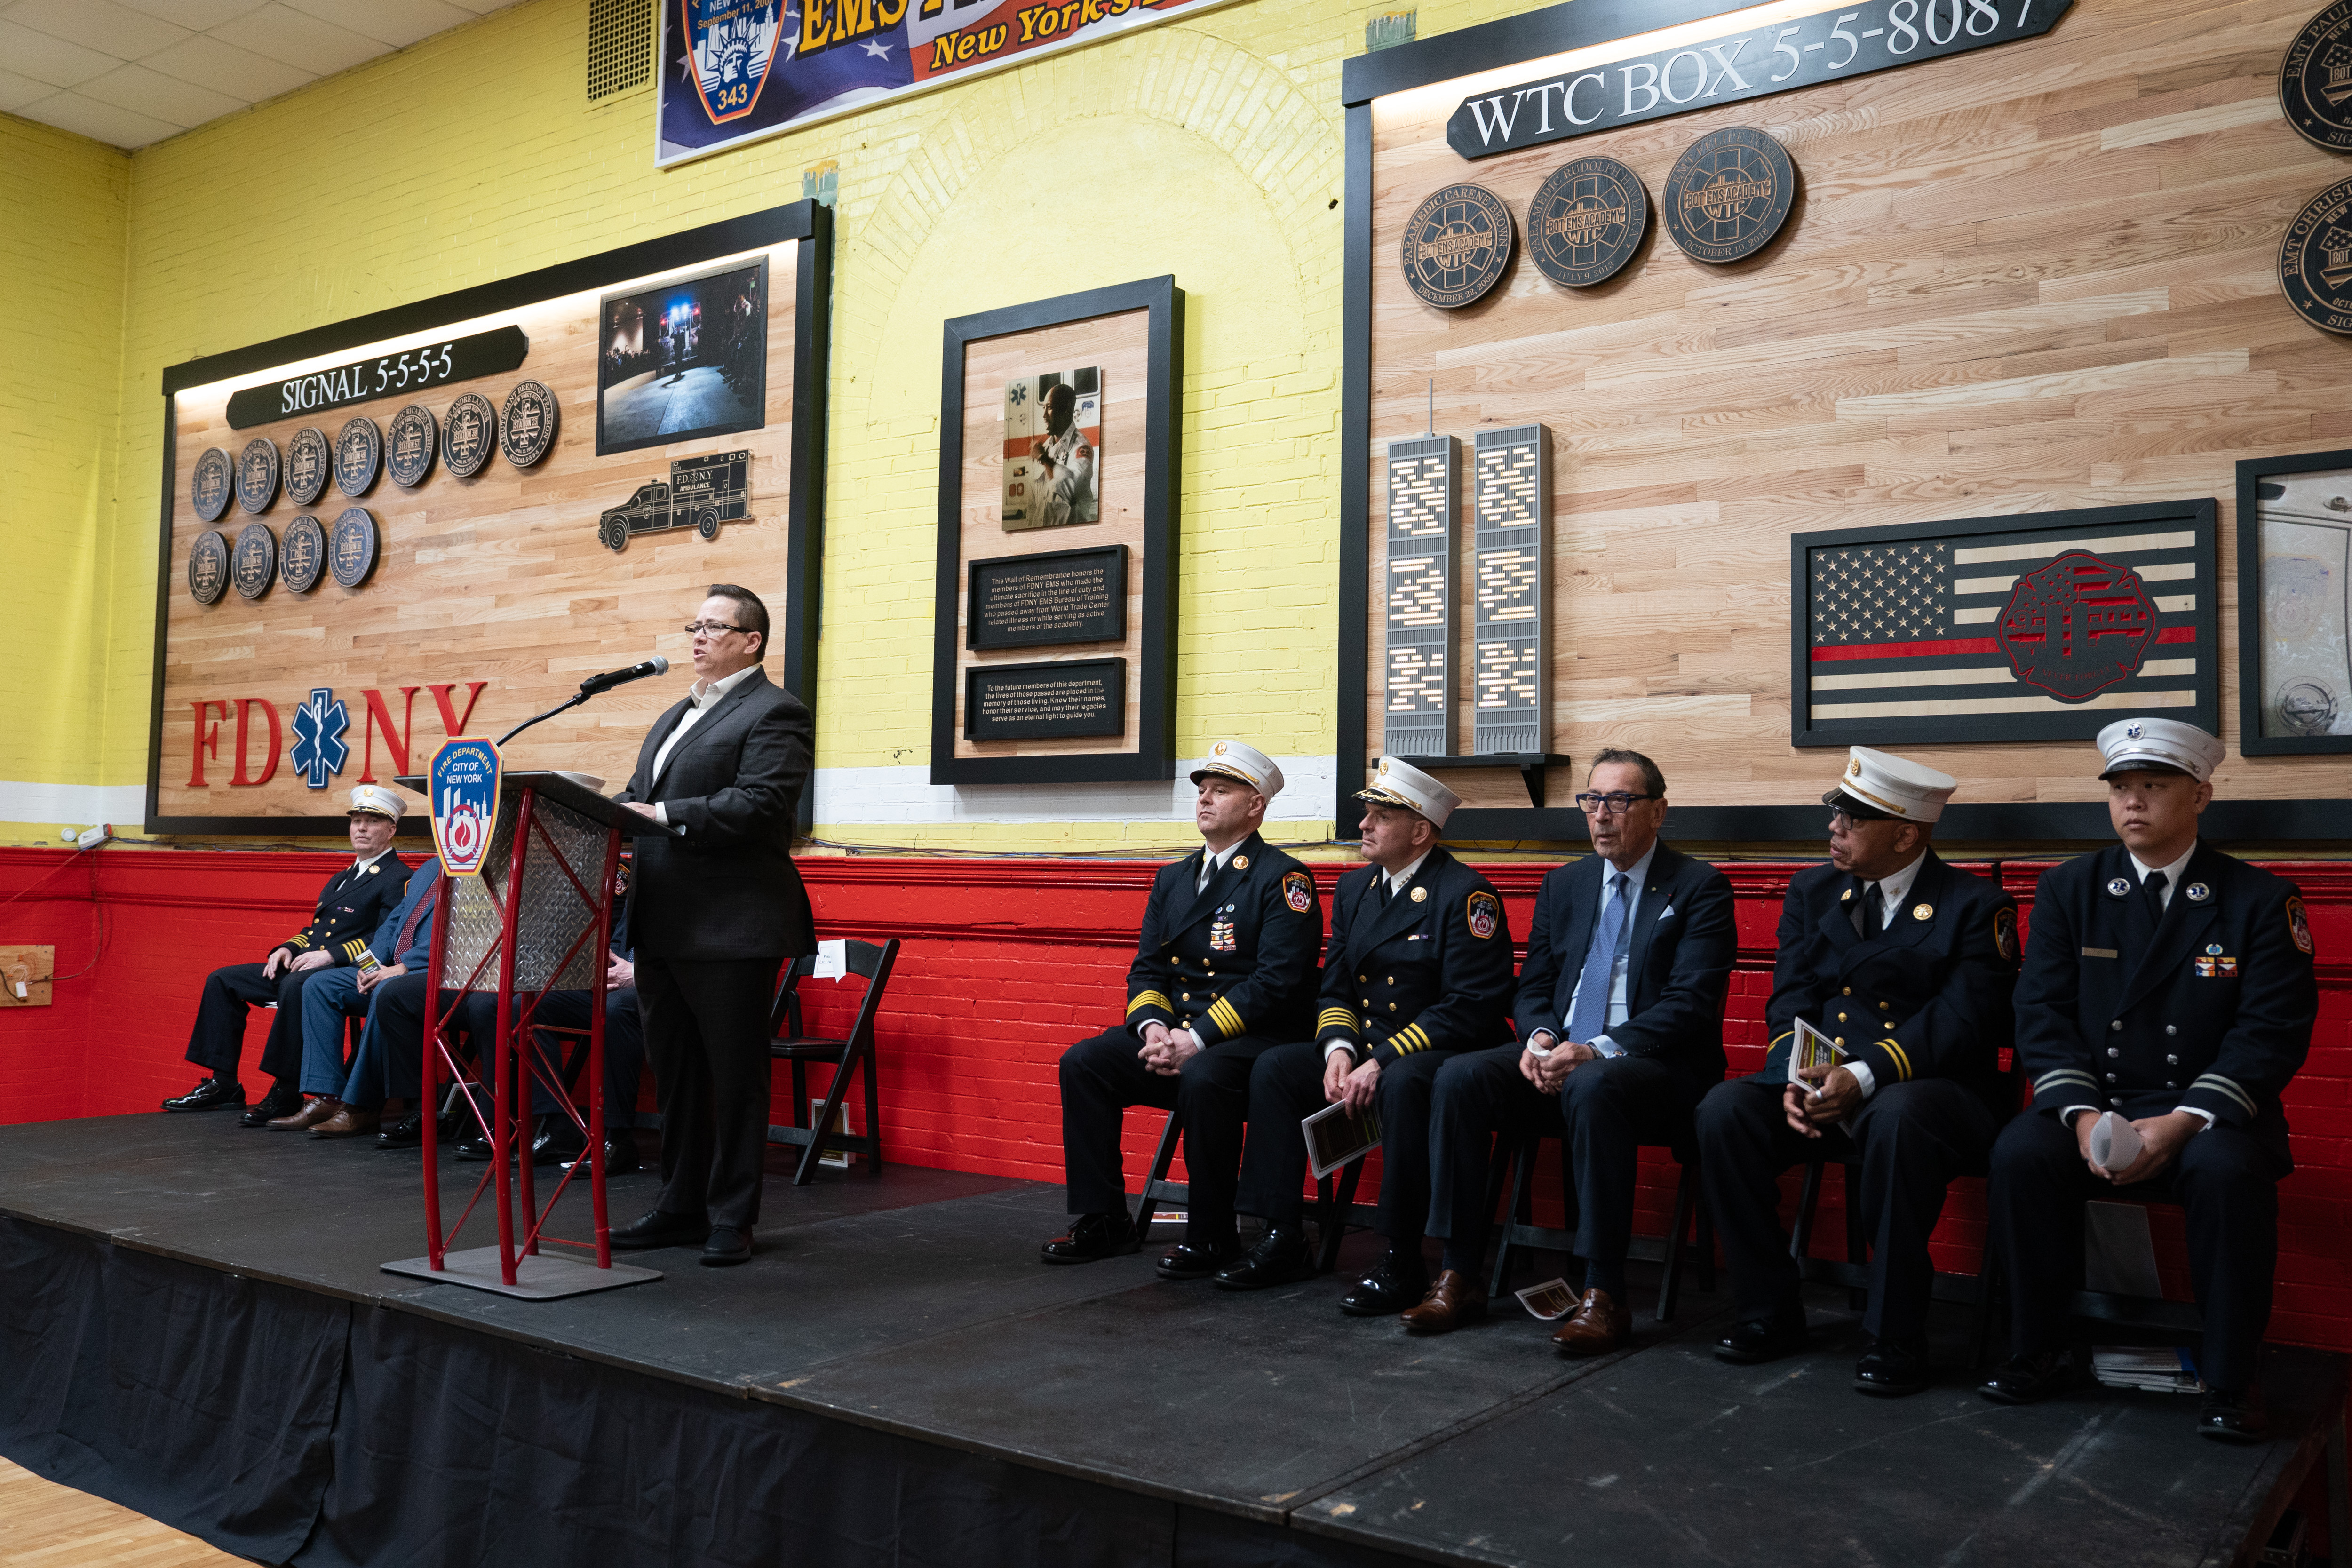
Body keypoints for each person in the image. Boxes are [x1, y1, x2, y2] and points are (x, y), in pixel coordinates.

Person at [1981, 719, 2317, 1442]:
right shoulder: (2072, 888)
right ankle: (2038, 1349)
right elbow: (2039, 1013)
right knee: (2019, 1154)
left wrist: (2183, 1121)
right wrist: (2077, 1116)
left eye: (2153, 786)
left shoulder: (2258, 899)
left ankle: (2231, 1379)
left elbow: (2271, 1031)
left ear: (2202, 794)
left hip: (2205, 1112)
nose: (2132, 802)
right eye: (2121, 788)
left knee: (2228, 1175)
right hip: (2094, 1100)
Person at [1695, 747, 2016, 1396]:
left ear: (1907, 834)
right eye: (1836, 814)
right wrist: (1797, 1077)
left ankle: (1894, 1334)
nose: (1835, 829)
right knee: (1724, 1113)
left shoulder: (1975, 905)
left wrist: (1863, 1078)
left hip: (1931, 1092)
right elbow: (1791, 997)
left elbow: (1960, 1023)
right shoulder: (1814, 891)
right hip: (1825, 1081)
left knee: (1896, 1121)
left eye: (1854, 819)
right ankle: (1768, 1311)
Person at [1412, 748, 1736, 1346]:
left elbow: (1688, 1004)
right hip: (1562, 1058)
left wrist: (1595, 1050)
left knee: (1593, 1082)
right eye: (1591, 800)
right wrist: (1539, 1039)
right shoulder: (1565, 884)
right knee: (1458, 1077)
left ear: (1658, 812)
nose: (1601, 815)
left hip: (1656, 1070)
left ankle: (1602, 1290)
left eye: (1619, 801)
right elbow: (1533, 984)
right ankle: (1458, 1272)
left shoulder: (1699, 888)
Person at [1216, 757, 1514, 1314]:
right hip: (1367, 1050)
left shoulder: (1465, 895)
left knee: (1402, 1083)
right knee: (1277, 1068)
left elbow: (1471, 1006)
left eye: (1380, 817)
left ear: (1420, 831)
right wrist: (1338, 1050)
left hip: (1440, 1051)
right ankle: (1280, 1235)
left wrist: (1380, 1060)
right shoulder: (1355, 891)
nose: (1365, 827)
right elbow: (1334, 987)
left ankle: (1401, 1257)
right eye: (1366, 814)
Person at [1041, 741, 1322, 1274]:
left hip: (1251, 1044)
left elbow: (1274, 984)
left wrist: (1194, 1041)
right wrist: (1153, 1029)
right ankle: (1103, 1218)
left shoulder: (1282, 879)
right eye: (1200, 791)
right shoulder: (1172, 878)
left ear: (1255, 805)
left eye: (1220, 791)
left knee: (1205, 1077)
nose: (1204, 800)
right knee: (1085, 1063)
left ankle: (1213, 1235)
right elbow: (1148, 970)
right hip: (1177, 1037)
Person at [606, 585, 814, 1267]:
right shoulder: (674, 714)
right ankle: (680, 1205)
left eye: (714, 627)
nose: (697, 637)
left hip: (730, 927)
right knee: (678, 1079)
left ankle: (732, 1216)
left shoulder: (775, 711)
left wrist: (659, 817)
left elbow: (759, 805)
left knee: (735, 1079)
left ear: (752, 641)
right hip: (662, 923)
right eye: (693, 624)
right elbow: (639, 800)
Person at [163, 785, 415, 1125]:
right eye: (357, 820)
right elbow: (316, 930)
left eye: (371, 821)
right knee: (223, 980)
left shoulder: (399, 877)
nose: (361, 828)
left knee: (297, 985)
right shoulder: (342, 877)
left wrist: (331, 957)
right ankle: (223, 1083)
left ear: (391, 829)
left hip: (347, 972)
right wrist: (288, 947)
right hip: (305, 964)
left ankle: (287, 1089)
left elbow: (386, 937)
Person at [271, 854, 446, 1133]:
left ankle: (361, 1107)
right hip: (389, 966)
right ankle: (328, 1096)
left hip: (430, 971)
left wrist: (405, 966)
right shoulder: (431, 867)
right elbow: (396, 920)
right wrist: (371, 963)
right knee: (319, 985)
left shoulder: (479, 869)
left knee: (387, 992)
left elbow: (464, 935)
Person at [1032, 382, 1096, 529]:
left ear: (1066, 409)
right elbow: (1034, 503)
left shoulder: (1081, 447)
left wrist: (1045, 460)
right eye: (1044, 408)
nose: (1044, 415)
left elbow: (1071, 490)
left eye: (1049, 408)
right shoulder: (1046, 447)